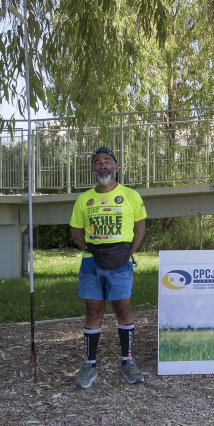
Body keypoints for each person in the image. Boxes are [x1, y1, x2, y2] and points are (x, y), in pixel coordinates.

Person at [69, 146, 147, 389]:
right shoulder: (84, 199)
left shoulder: (131, 195)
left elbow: (141, 225)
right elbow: (76, 231)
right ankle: (90, 365)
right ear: (93, 168)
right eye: (97, 162)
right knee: (93, 311)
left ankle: (128, 362)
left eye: (107, 161)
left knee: (123, 310)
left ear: (116, 166)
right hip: (92, 263)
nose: (102, 166)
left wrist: (130, 252)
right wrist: (90, 250)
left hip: (121, 262)